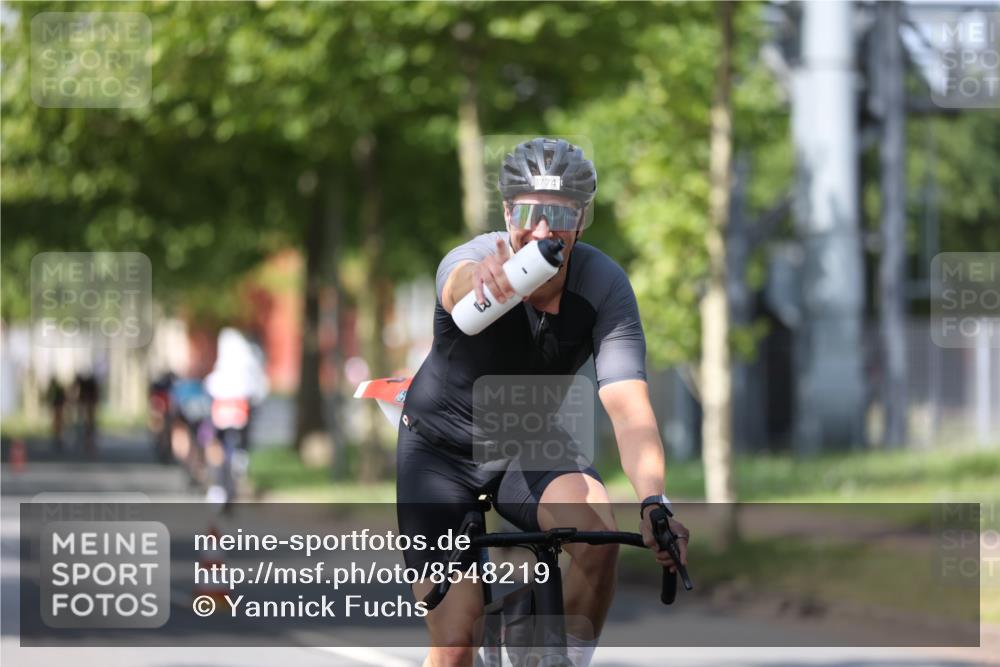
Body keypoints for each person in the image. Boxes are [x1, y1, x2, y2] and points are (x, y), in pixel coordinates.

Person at [397, 137, 690, 667]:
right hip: (438, 453)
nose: (541, 230)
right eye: (528, 213)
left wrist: (654, 500)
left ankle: (555, 658)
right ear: (508, 213)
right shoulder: (477, 262)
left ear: (581, 221)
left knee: (598, 538)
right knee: (456, 642)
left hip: (524, 441)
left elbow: (628, 407)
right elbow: (455, 284)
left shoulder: (603, 286)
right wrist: (480, 281)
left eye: (559, 215)